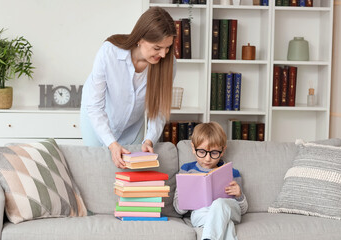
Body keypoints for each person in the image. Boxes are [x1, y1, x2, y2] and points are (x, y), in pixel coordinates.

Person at [80, 7, 176, 169]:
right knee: (97, 169)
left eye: (167, 48)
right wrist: (111, 144)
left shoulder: (168, 64)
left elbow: (158, 110)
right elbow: (95, 106)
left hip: (133, 126)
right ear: (140, 38)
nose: (163, 55)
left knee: (131, 173)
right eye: (157, 48)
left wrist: (149, 139)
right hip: (97, 120)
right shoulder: (109, 53)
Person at [173, 122, 248, 240]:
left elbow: (242, 211)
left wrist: (239, 195)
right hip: (201, 214)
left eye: (214, 153)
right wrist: (188, 197)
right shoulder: (187, 170)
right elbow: (178, 209)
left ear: (222, 151)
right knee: (226, 224)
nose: (207, 159)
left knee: (220, 204)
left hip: (229, 210)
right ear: (193, 148)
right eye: (202, 152)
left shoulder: (232, 173)